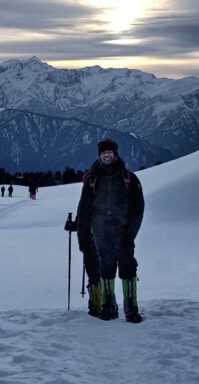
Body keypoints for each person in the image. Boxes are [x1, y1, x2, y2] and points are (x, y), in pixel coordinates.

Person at [74, 138, 145, 323]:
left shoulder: (129, 178)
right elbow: (84, 209)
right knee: (105, 269)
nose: (106, 155)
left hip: (123, 234)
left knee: (128, 268)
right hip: (100, 234)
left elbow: (138, 210)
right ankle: (109, 307)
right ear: (99, 155)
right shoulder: (91, 179)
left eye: (109, 152)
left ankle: (131, 308)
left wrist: (130, 235)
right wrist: (82, 237)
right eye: (103, 153)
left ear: (115, 154)